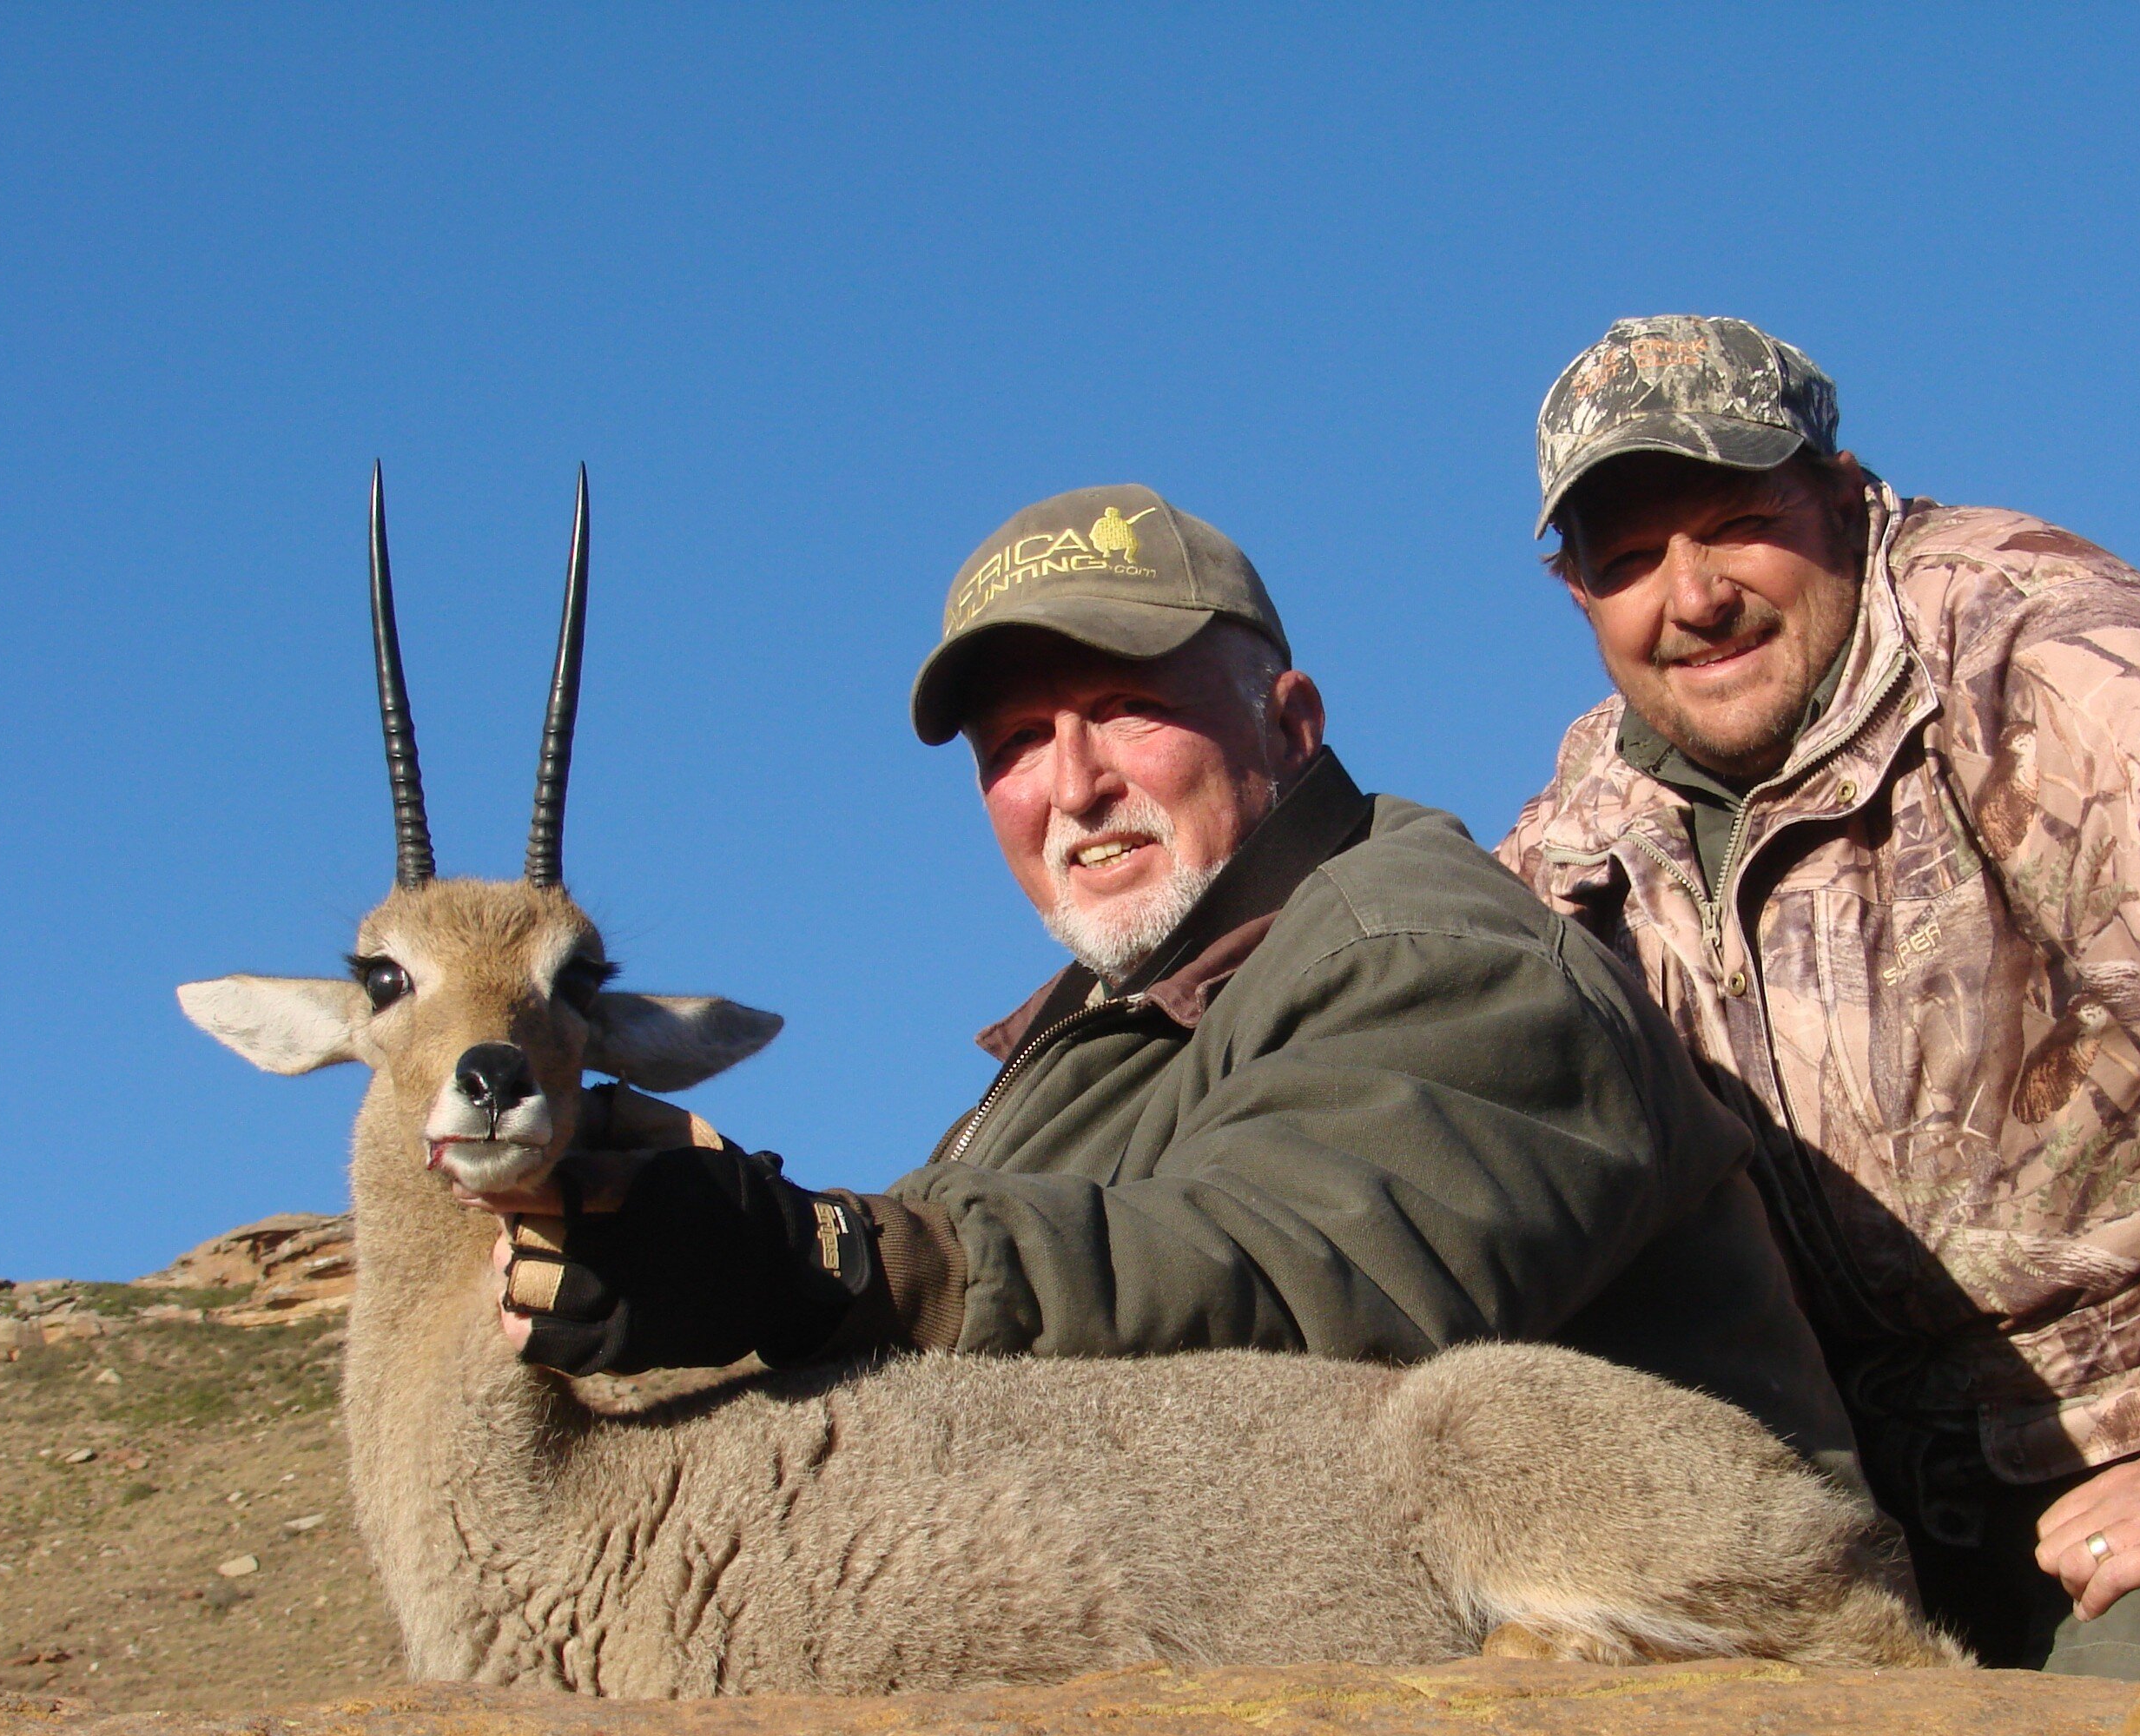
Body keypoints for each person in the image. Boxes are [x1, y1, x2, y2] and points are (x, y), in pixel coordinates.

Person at [1497, 315, 2140, 1684]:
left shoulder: (2046, 654)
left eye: (1736, 522)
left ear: (1839, 488)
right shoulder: (1582, 832)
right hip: (1892, 1524)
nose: (1690, 596)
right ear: (1573, 592)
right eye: (1629, 560)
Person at [477, 482, 1865, 1501]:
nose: (1074, 785)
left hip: (1654, 1663)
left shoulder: (1428, 950)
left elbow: (1294, 1287)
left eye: (1129, 707)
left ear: (1293, 722)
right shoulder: (1104, 1040)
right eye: (1017, 740)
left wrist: (831, 1261)